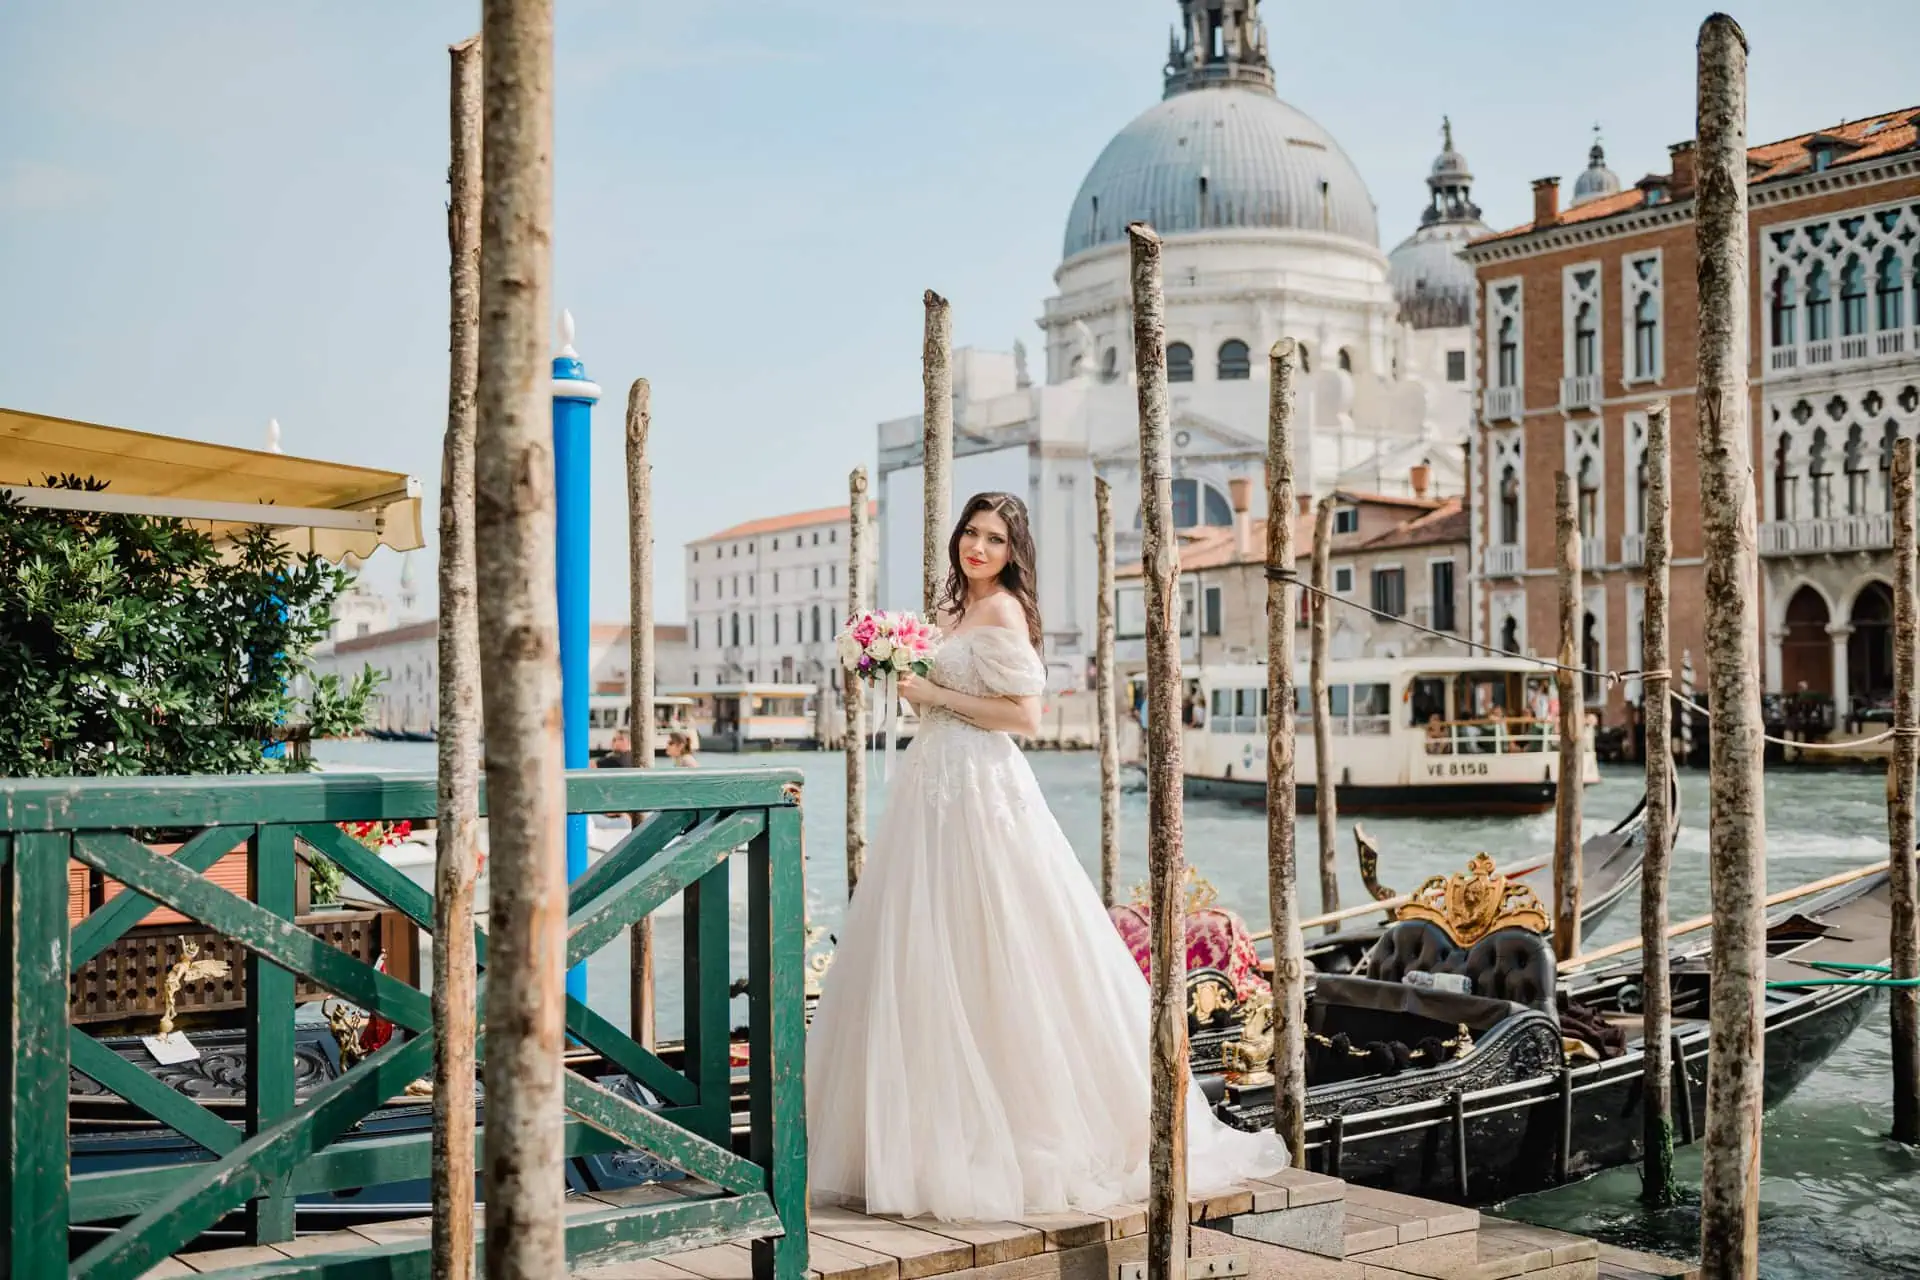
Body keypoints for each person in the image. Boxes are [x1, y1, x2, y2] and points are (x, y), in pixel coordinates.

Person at [805, 491, 1287, 1222]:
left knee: (1002, 937)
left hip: (979, 787)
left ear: (1012, 552)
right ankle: (920, 1136)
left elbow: (1023, 716)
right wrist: (910, 688)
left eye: (994, 539)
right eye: (971, 533)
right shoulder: (949, 614)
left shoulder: (1000, 613)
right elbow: (940, 699)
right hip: (930, 784)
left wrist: (933, 690)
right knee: (924, 946)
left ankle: (1023, 1129)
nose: (978, 548)